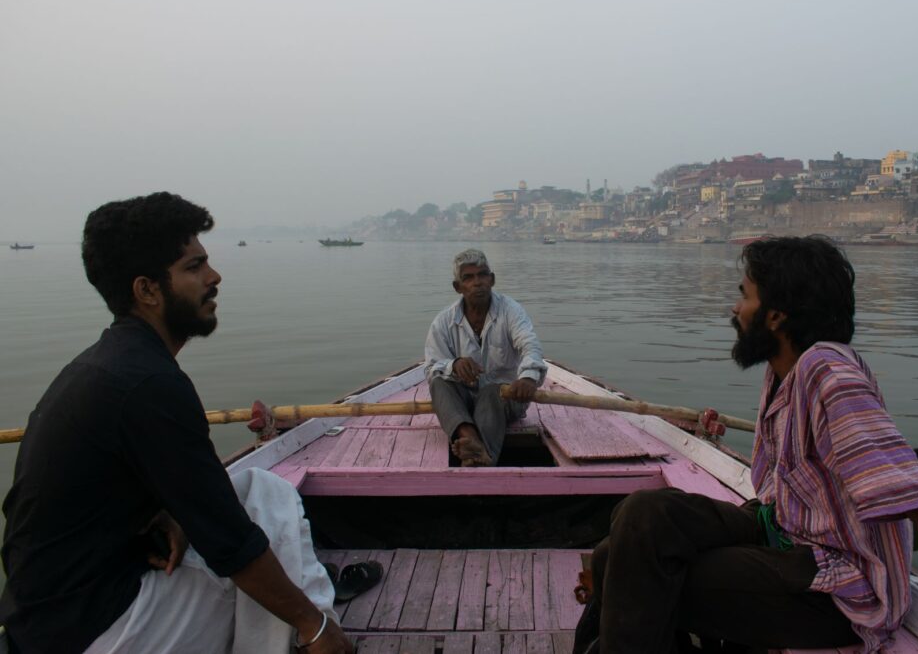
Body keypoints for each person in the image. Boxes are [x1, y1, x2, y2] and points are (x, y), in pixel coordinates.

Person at [576, 236, 918, 654]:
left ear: (776, 316)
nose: (735, 309)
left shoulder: (830, 377)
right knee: (636, 520)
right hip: (782, 528)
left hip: (838, 588)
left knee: (638, 574)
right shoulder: (781, 371)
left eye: (745, 295)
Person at [0, 193, 353, 654]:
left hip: (49, 619)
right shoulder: (150, 384)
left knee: (255, 490)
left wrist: (169, 513)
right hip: (99, 633)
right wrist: (312, 623)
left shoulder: (106, 366)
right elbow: (232, 546)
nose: (214, 277)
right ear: (147, 290)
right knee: (270, 507)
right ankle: (315, 637)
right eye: (194, 267)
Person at [425, 248, 546, 466]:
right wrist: (455, 365)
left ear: (492, 280)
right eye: (468, 278)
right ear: (458, 287)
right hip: (465, 404)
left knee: (491, 390)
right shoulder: (443, 321)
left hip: (506, 398)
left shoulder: (511, 311)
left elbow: (530, 346)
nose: (477, 282)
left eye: (482, 275)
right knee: (439, 382)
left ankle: (482, 454)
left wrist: (528, 377)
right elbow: (432, 366)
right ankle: (470, 437)